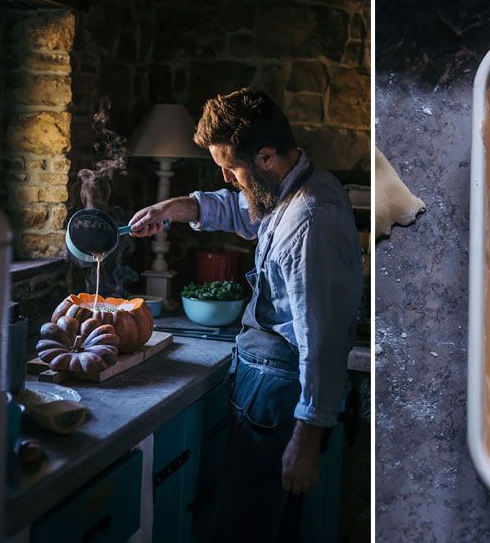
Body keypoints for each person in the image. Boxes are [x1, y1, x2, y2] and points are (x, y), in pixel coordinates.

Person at [129, 88, 362, 542]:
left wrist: (308, 437)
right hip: (264, 392)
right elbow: (245, 209)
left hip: (280, 403)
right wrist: (174, 208)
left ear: (267, 157)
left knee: (252, 530)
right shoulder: (295, 186)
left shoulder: (310, 221)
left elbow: (323, 339)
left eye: (231, 167)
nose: (227, 177)